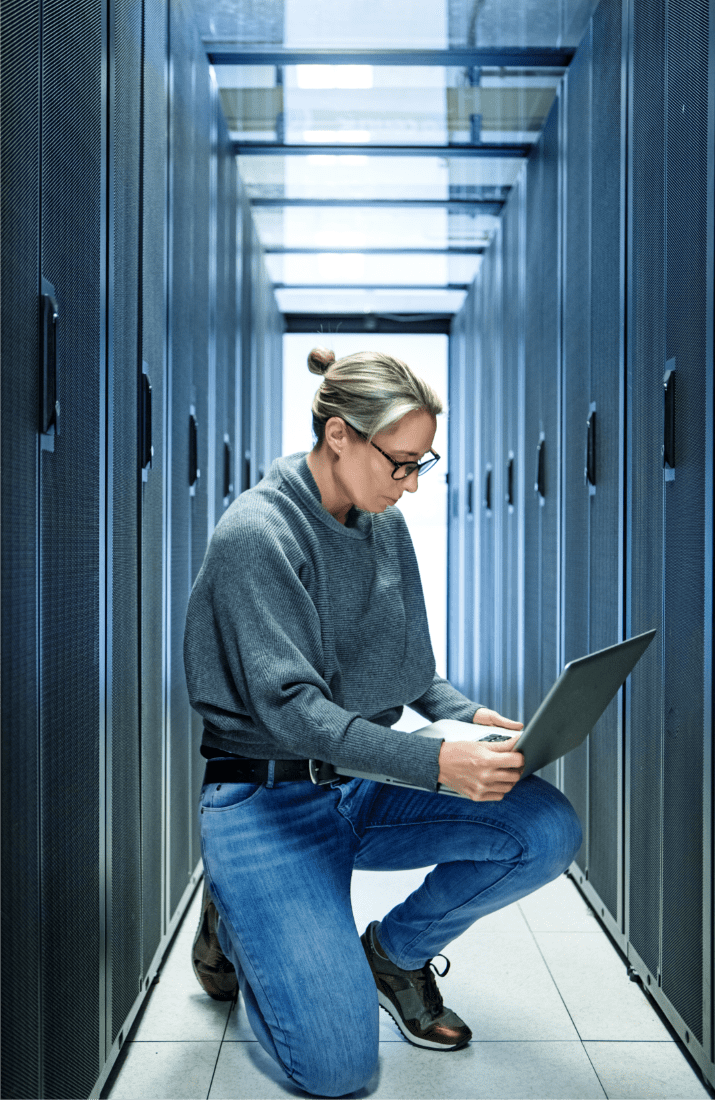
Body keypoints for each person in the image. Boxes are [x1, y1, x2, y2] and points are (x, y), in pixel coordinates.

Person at [184, 346, 582, 1098]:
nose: (408, 484)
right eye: (398, 462)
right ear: (338, 435)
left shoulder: (380, 521)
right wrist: (435, 765)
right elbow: (293, 713)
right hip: (266, 801)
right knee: (339, 1071)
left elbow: (412, 672)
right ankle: (232, 918)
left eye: (420, 464)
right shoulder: (255, 536)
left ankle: (392, 956)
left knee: (543, 828)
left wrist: (463, 719)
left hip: (358, 782)